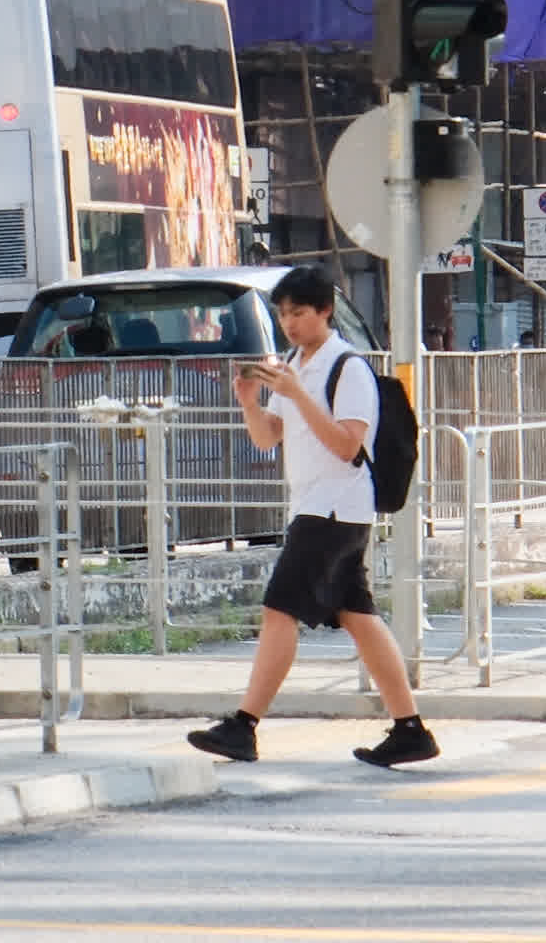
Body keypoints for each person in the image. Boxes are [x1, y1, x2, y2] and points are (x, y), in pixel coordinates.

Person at [185, 265, 437, 771]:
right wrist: (250, 402)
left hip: (336, 509)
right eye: (282, 314)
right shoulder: (297, 362)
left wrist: (298, 393)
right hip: (313, 506)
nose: (289, 323)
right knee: (359, 617)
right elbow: (269, 436)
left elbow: (348, 444)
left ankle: (244, 724)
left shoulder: (349, 368)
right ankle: (410, 730)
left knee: (280, 608)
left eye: (298, 312)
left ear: (324, 311)